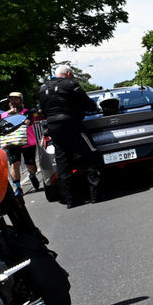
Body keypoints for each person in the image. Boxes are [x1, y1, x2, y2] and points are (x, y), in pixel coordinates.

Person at [37, 64, 101, 207]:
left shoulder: (42, 89)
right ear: (68, 74)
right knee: (93, 156)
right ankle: (95, 195)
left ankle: (70, 200)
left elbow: (43, 111)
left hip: (54, 128)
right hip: (72, 126)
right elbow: (88, 104)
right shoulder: (71, 84)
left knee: (63, 163)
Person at [0, 92, 41, 196]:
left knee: (31, 166)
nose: (13, 102)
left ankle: (32, 175)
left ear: (21, 100)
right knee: (14, 164)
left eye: (15, 99)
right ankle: (18, 188)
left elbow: (28, 122)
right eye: (11, 99)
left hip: (28, 142)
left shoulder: (28, 112)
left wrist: (16, 115)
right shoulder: (4, 115)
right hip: (12, 144)